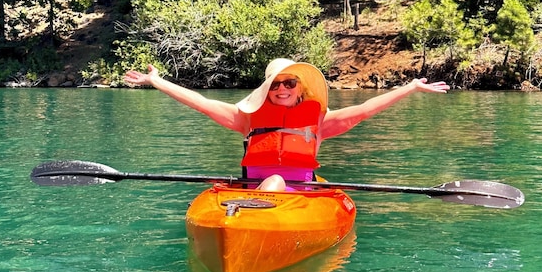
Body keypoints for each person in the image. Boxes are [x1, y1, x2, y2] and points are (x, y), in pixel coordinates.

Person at [123, 58, 449, 191]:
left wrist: (411, 87)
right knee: (272, 181)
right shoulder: (247, 119)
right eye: (275, 85)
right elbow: (201, 103)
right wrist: (157, 81)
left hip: (300, 193)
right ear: (267, 89)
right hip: (254, 191)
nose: (282, 89)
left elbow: (364, 109)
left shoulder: (320, 123)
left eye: (289, 83)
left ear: (299, 88)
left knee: (277, 180)